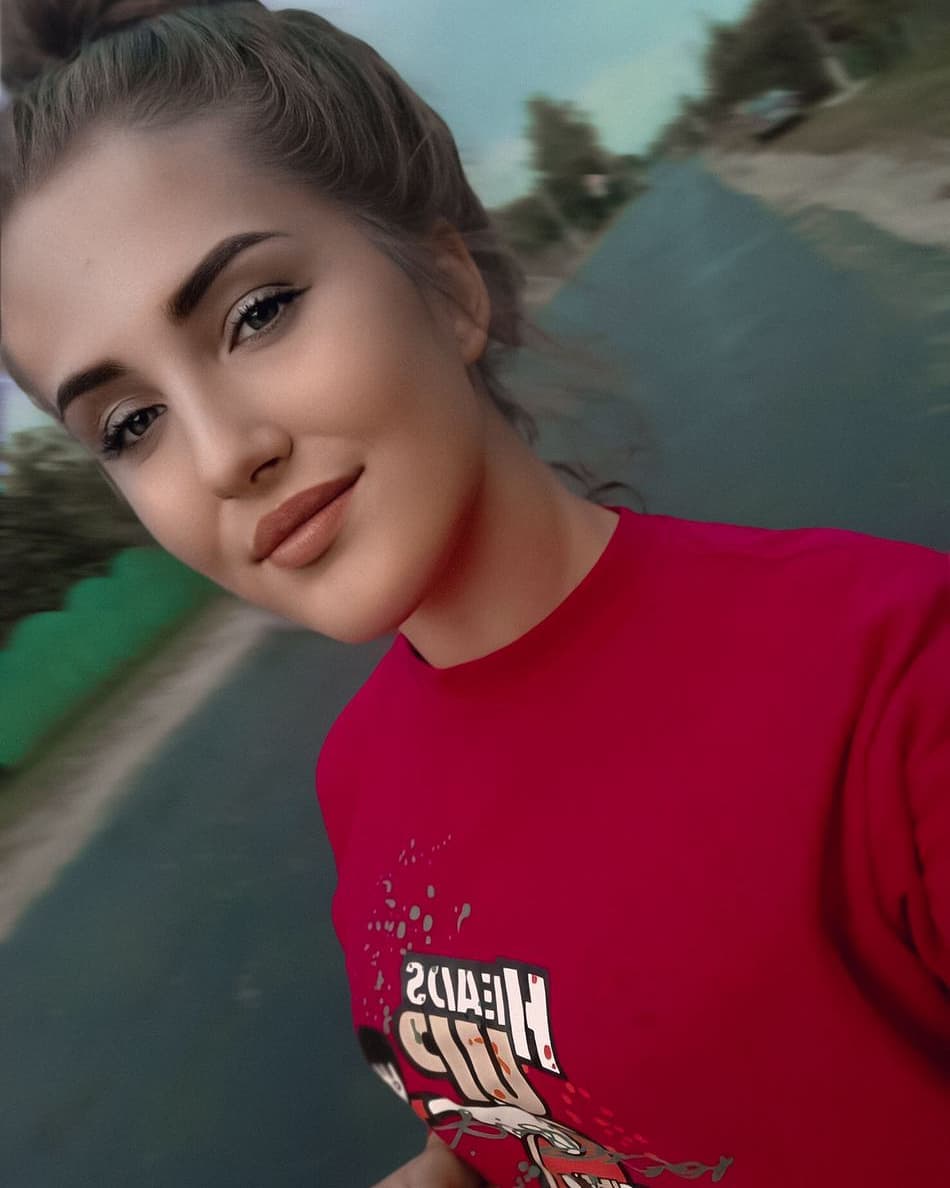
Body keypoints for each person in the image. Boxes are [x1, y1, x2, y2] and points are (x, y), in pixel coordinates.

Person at [1, 3, 947, 1186]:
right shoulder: (357, 778)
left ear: (448, 287)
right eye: (130, 423)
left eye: (256, 312)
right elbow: (534, 1103)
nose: (220, 454)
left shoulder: (886, 686)